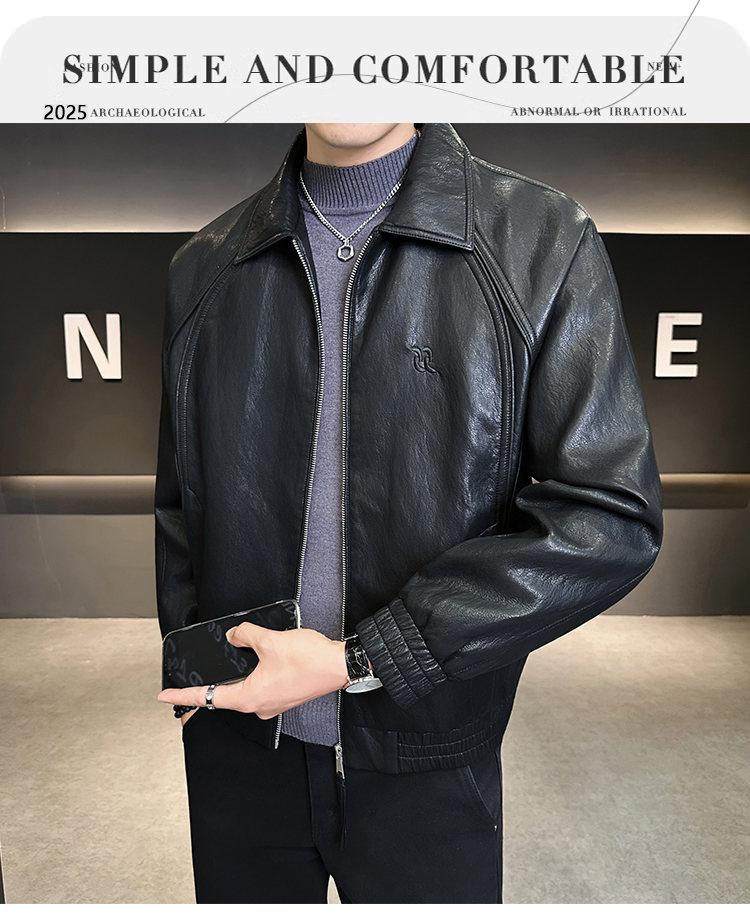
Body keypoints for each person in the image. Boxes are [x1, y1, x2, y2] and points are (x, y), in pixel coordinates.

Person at [154, 122, 663, 904]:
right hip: (241, 756)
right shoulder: (204, 265)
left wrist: (368, 657)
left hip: (427, 762)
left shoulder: (540, 239)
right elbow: (181, 506)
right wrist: (201, 671)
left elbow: (608, 515)